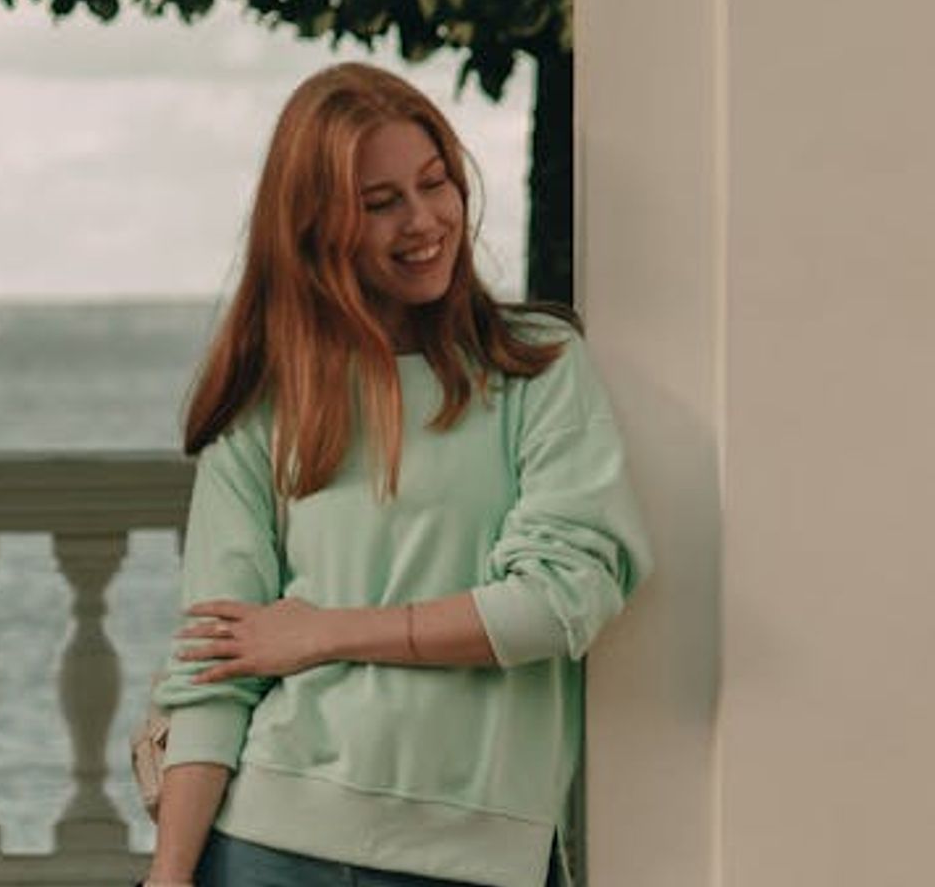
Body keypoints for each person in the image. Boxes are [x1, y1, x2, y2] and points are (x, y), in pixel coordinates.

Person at [141, 63, 652, 887]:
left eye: (435, 183)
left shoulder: (538, 369)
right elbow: (213, 670)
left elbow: (560, 604)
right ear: (314, 225)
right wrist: (167, 878)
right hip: (270, 843)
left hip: (477, 860)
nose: (425, 221)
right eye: (381, 204)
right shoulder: (267, 404)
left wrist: (326, 631)